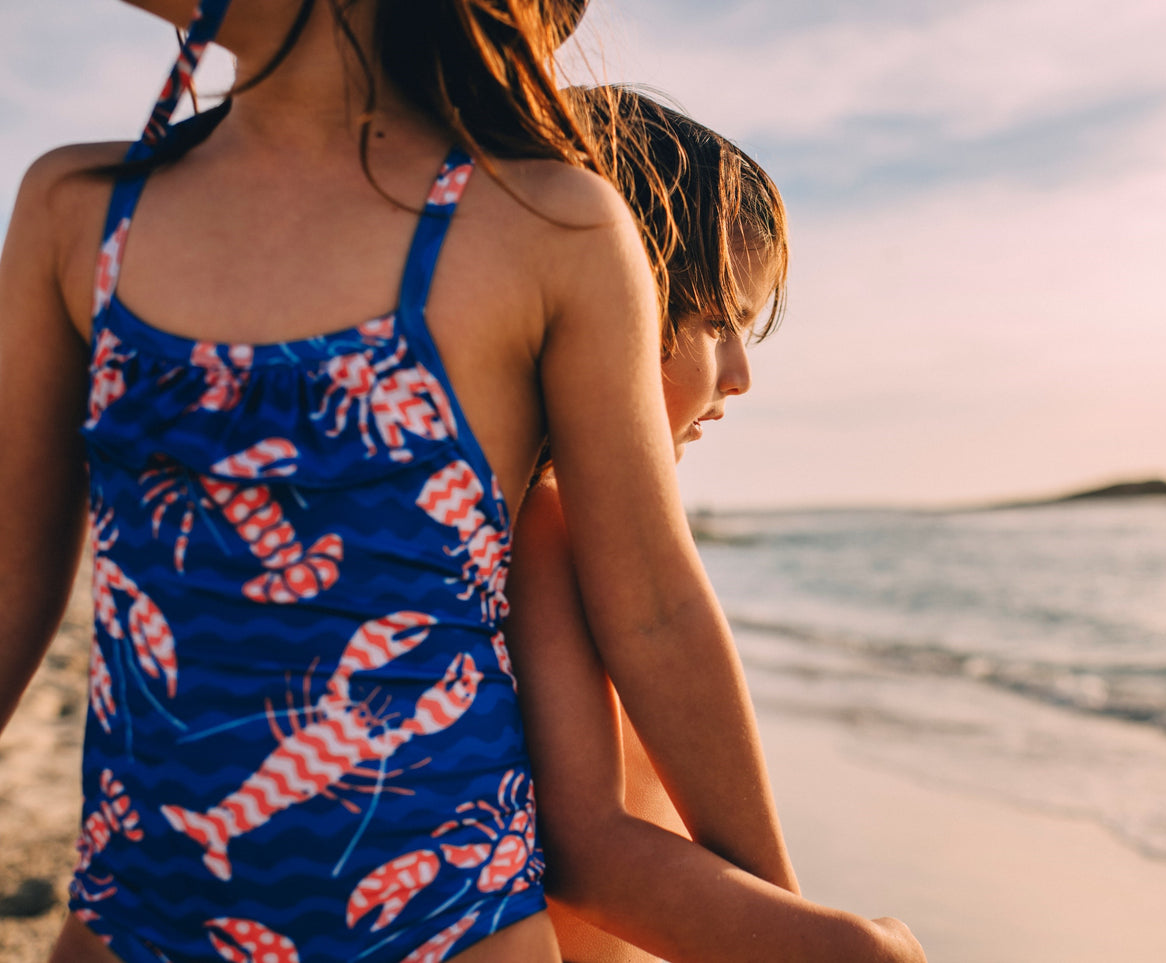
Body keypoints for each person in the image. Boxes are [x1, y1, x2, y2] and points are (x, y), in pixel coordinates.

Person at [0, 2, 796, 960]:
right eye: (713, 320)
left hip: (454, 929)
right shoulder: (80, 207)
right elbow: (11, 576)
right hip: (132, 920)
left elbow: (656, 610)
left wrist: (780, 916)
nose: (737, 370)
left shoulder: (544, 224)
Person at [507, 87, 928, 963]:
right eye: (712, 322)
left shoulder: (536, 520)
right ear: (601, 307)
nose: (737, 374)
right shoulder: (543, 527)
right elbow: (584, 848)